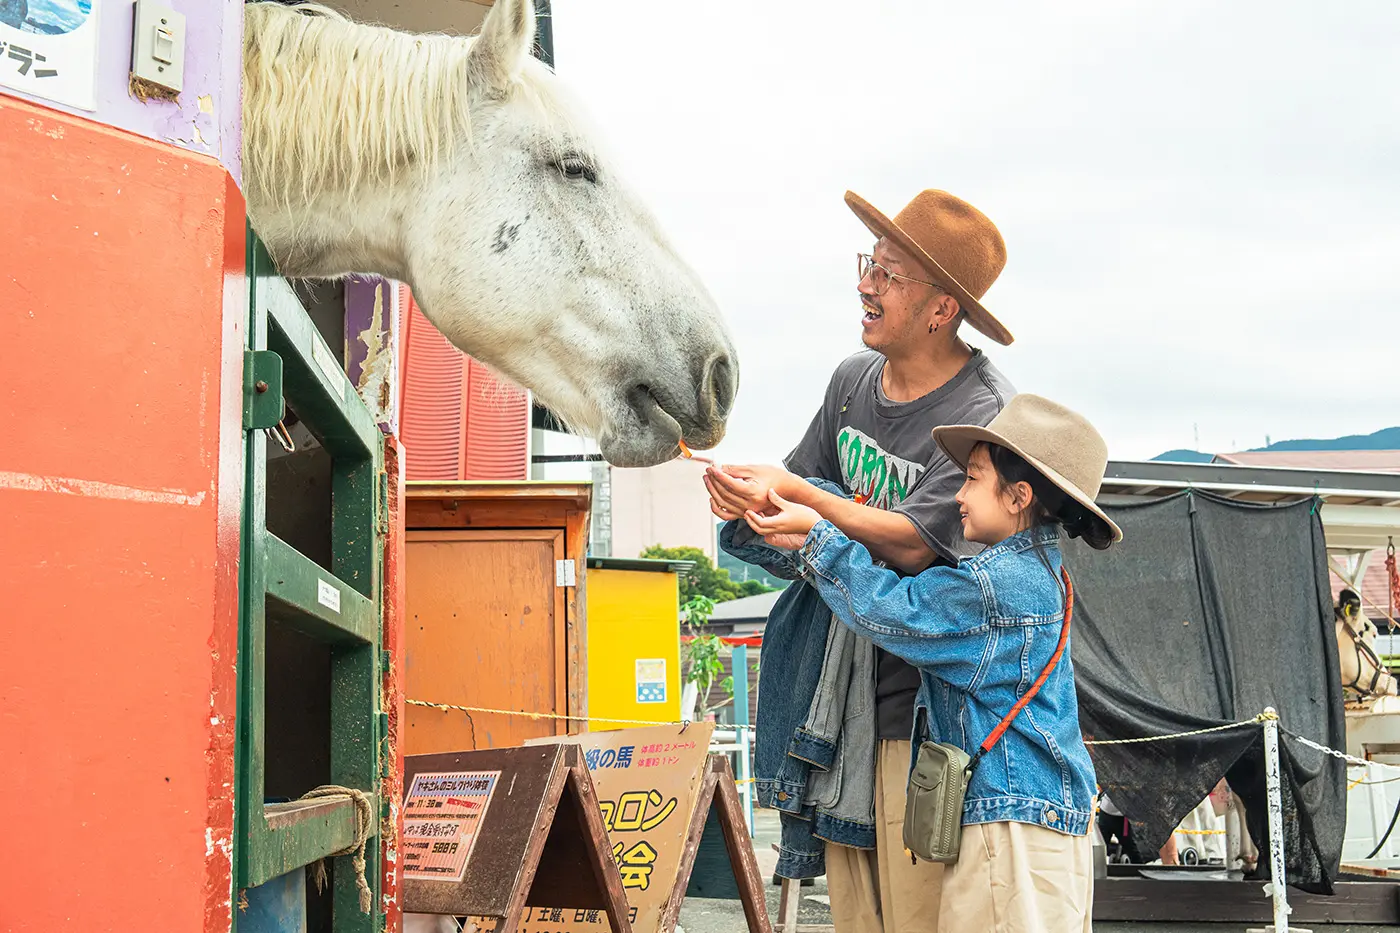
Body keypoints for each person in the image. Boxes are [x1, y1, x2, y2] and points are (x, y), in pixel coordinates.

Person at [706, 189, 1015, 933]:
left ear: (941, 308)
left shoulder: (984, 408)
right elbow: (802, 502)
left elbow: (915, 539)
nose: (865, 285)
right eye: (868, 264)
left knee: (914, 918)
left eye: (888, 273)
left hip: (927, 719)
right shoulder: (850, 383)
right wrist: (754, 502)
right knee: (854, 920)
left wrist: (806, 500)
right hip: (834, 708)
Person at [742, 394, 1120, 933]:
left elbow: (894, 613)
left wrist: (815, 535)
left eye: (972, 478)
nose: (958, 495)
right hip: (1026, 819)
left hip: (1011, 827)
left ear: (1018, 496)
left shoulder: (999, 585)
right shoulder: (1035, 571)